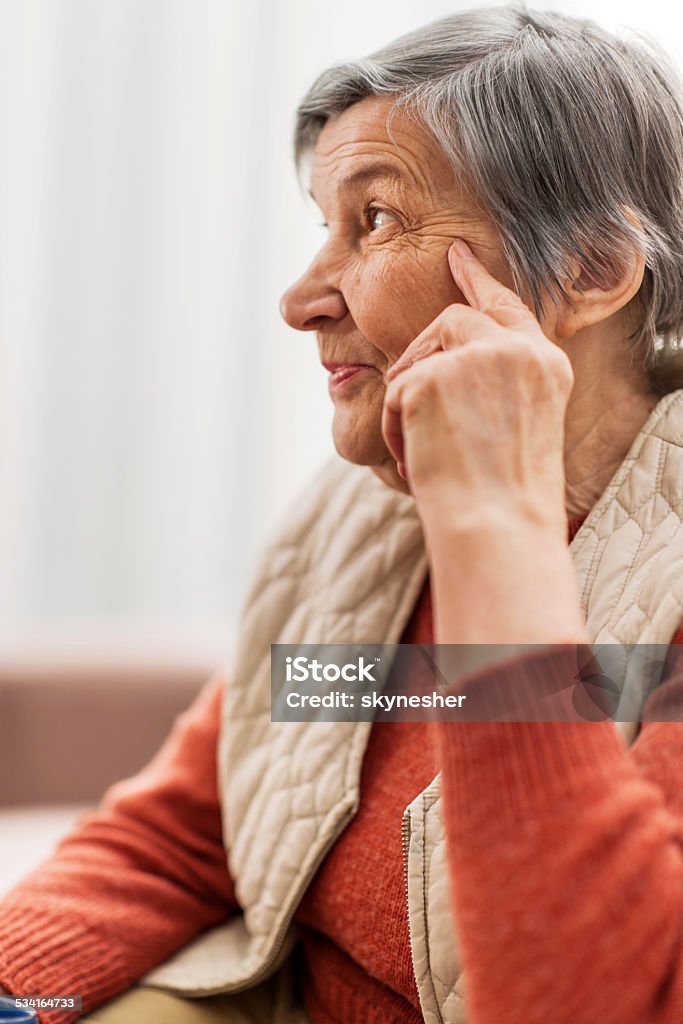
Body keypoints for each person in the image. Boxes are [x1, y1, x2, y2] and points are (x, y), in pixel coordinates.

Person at [3, 5, 683, 1022]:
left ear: (589, 271)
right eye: (320, 225)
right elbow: (191, 830)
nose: (299, 297)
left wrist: (495, 517)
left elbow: (585, 998)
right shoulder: (363, 511)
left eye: (373, 220)